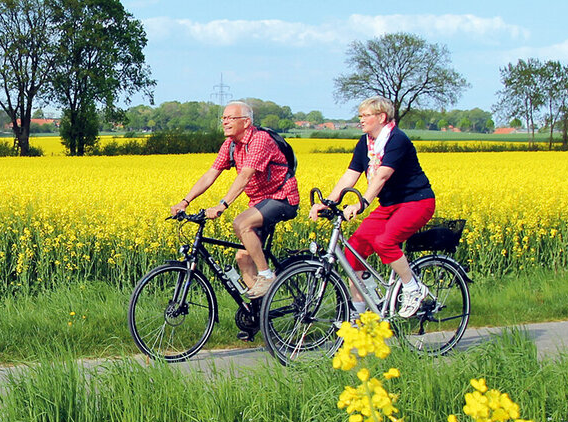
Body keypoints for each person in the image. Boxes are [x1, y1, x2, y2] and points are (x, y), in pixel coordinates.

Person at [169, 101, 300, 336]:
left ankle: (267, 276)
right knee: (243, 258)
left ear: (245, 122)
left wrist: (223, 204)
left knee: (241, 223)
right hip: (260, 202)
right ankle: (259, 317)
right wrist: (185, 201)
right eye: (223, 118)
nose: (225, 121)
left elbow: (245, 176)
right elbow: (211, 174)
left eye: (230, 118)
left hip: (282, 198)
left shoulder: (260, 140)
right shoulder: (230, 144)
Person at [312, 97, 436, 318]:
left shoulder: (397, 139)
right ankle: (358, 315)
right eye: (359, 116)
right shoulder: (365, 143)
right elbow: (350, 175)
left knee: (384, 241)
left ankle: (413, 288)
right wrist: (328, 202)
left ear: (381, 117)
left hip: (416, 202)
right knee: (353, 251)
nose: (361, 120)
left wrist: (361, 204)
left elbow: (382, 176)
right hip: (390, 206)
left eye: (365, 115)